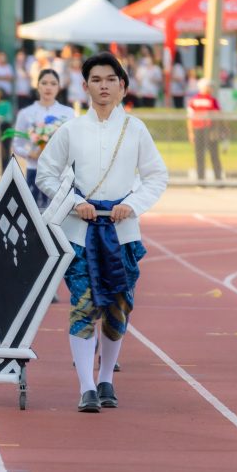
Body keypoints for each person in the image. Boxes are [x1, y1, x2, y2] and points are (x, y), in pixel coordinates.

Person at [36, 51, 168, 413]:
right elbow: (46, 173)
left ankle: (107, 377)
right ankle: (87, 386)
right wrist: (74, 202)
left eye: (111, 79)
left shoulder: (135, 129)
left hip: (121, 233)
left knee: (117, 307)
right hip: (79, 233)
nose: (104, 86)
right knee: (82, 305)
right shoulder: (72, 129)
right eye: (96, 80)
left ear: (122, 86)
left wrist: (133, 205)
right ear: (85, 86)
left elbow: (157, 176)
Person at [13, 69, 75, 209]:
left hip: (59, 172)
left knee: (58, 213)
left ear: (59, 87)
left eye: (53, 83)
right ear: (38, 86)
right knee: (33, 212)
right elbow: (17, 144)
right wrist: (30, 154)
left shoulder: (68, 113)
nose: (48, 87)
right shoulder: (25, 113)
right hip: (34, 170)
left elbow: (74, 143)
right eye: (44, 83)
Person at [187, 77, 223, 182]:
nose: (211, 89)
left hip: (200, 129)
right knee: (213, 155)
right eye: (210, 87)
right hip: (207, 129)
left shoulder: (193, 100)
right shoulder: (212, 100)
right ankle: (217, 179)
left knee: (201, 156)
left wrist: (191, 133)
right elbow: (218, 116)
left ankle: (201, 180)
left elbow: (189, 118)